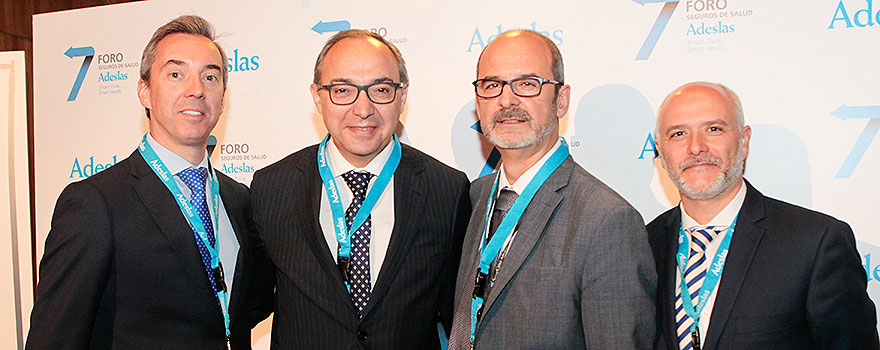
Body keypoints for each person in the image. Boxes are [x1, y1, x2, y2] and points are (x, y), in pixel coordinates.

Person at [25, 15, 271, 350]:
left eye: (210, 77)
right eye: (175, 74)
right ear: (144, 91)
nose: (196, 89)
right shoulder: (96, 203)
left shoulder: (239, 199)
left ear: (223, 98)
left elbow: (239, 309)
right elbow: (55, 337)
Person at [250, 30, 470, 349]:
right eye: (343, 90)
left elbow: (459, 318)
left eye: (380, 90)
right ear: (318, 96)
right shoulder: (272, 187)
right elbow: (248, 304)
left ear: (402, 95)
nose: (363, 108)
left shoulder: (446, 189)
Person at [447, 29, 657, 349]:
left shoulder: (607, 221)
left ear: (561, 100)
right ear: (478, 102)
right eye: (492, 85)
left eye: (528, 84)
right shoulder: (470, 198)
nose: (507, 100)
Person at [648, 81, 879, 349]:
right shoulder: (644, 244)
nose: (696, 147)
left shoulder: (815, 243)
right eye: (678, 134)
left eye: (713, 129)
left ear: (744, 141)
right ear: (660, 151)